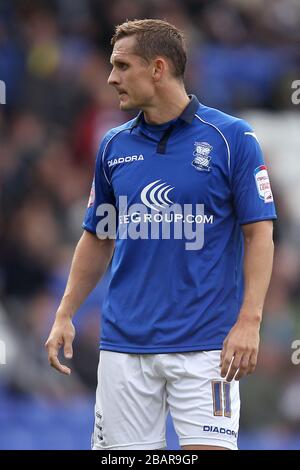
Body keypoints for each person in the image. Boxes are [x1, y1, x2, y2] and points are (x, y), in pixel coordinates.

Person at [45, 19, 276, 451]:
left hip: (208, 347)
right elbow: (98, 236)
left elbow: (259, 235)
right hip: (124, 349)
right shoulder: (113, 146)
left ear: (157, 68)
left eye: (121, 65)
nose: (111, 77)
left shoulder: (232, 138)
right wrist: (65, 313)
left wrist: (249, 321)